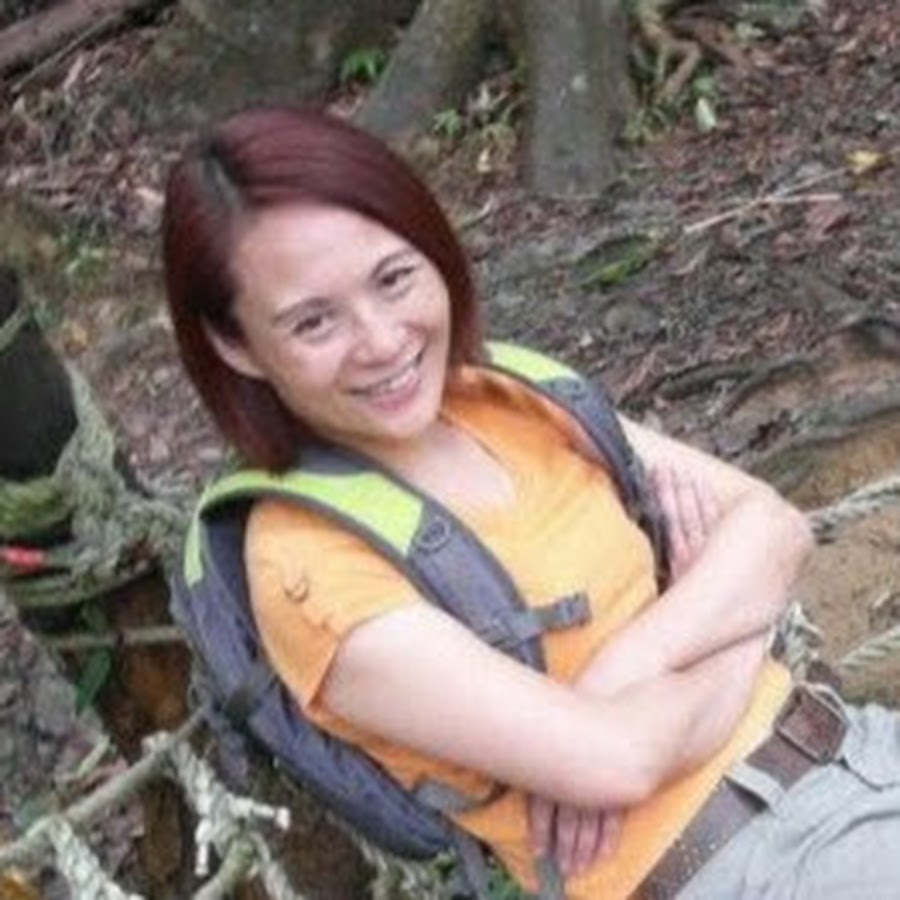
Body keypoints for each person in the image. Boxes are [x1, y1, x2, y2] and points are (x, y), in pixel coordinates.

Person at [161, 105, 900, 899]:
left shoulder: (505, 393)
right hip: (747, 869)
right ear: (235, 344)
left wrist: (624, 670)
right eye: (314, 322)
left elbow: (776, 526)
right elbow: (616, 761)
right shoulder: (306, 565)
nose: (381, 341)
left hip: (860, 758)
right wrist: (743, 626)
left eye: (394, 278)